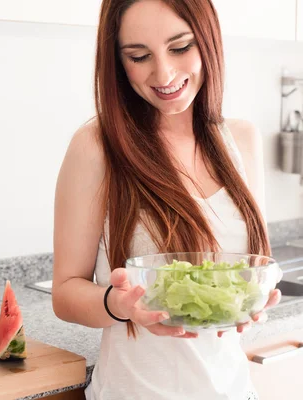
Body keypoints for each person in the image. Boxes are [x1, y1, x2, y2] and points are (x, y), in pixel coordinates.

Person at [51, 0, 282, 399]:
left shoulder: (242, 140)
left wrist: (252, 297)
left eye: (180, 47)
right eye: (139, 56)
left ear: (208, 39)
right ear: (119, 63)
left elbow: (250, 266)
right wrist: (119, 304)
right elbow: (66, 292)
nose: (164, 73)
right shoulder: (96, 146)